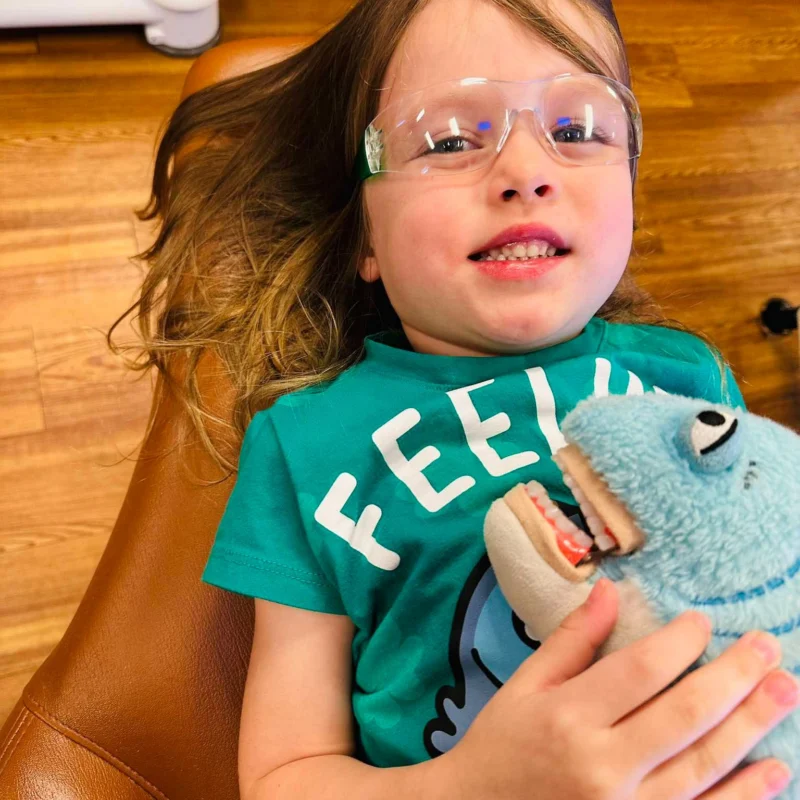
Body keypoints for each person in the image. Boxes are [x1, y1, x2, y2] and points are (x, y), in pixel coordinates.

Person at [116, 0, 800, 796]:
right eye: (446, 140)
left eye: (577, 128)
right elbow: (285, 774)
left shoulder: (688, 375)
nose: (526, 172)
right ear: (364, 236)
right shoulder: (305, 446)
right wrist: (476, 786)